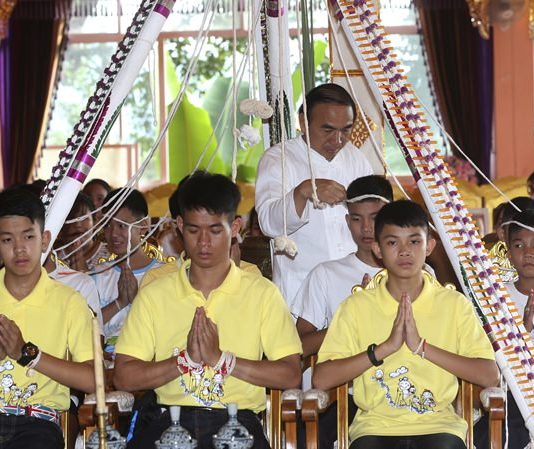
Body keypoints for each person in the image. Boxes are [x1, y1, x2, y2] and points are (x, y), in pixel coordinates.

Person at [113, 172, 302, 449]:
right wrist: (184, 361)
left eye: (215, 231)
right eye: (193, 230)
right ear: (179, 226)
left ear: (235, 227)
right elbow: (124, 376)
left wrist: (222, 360)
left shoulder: (261, 293)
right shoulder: (155, 294)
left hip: (238, 423)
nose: (203, 242)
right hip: (170, 422)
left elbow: (290, 373)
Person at [313, 200, 499, 449]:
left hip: (439, 427)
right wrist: (384, 349)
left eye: (414, 241)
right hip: (374, 428)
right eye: (392, 242)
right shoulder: (356, 307)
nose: (404, 251)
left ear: (429, 246)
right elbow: (322, 379)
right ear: (377, 249)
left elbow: (489, 375)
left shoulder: (454, 305)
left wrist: (422, 347)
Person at [255, 83, 374, 305]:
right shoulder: (278, 159)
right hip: (301, 290)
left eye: (346, 130)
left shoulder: (356, 159)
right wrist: (302, 192)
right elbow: (268, 224)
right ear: (303, 122)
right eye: (328, 130)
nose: (337, 140)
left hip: (355, 287)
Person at [0, 187, 95, 448]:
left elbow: (92, 379)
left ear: (45, 240)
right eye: (7, 240)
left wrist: (27, 354)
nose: (19, 249)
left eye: (28, 237)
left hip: (37, 424)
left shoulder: (69, 301)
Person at [475, 209, 534, 449]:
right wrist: (524, 333)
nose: (529, 253)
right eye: (519, 245)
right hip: (513, 394)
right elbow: (489, 362)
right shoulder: (496, 299)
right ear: (508, 253)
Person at [92, 188, 162, 358]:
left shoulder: (164, 275)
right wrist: (120, 302)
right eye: (107, 225)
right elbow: (85, 328)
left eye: (122, 226)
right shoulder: (96, 275)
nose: (113, 234)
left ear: (143, 226)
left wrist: (138, 301)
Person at [56, 192, 109, 272]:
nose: (77, 224)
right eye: (71, 218)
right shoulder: (53, 257)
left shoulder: (110, 255)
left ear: (95, 221)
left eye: (83, 218)